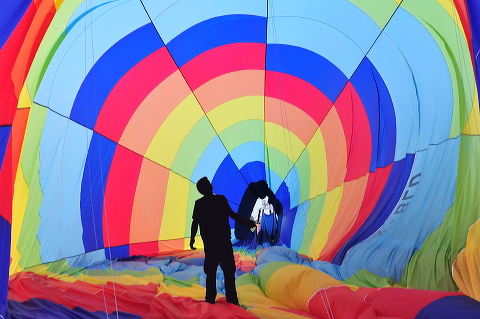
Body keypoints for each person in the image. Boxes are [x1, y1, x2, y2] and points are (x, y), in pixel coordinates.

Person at [190, 177, 256, 305]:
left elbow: (195, 223)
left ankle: (210, 299)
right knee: (228, 271)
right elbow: (233, 215)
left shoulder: (200, 203)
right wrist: (247, 222)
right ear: (207, 187)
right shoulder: (220, 199)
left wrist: (192, 238)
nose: (211, 184)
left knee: (211, 271)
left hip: (210, 243)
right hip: (223, 241)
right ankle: (231, 299)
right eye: (208, 183)